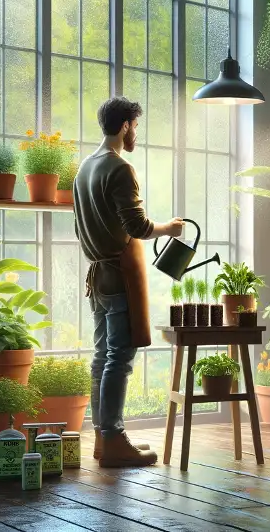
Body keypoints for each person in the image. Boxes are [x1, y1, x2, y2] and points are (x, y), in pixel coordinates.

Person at [73, 96, 184, 467]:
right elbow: (136, 226)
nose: (136, 132)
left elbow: (80, 228)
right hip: (119, 277)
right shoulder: (119, 168)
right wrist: (170, 227)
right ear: (124, 126)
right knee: (119, 359)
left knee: (102, 356)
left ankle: (104, 440)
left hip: (96, 277)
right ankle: (114, 438)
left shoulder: (84, 169)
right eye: (135, 126)